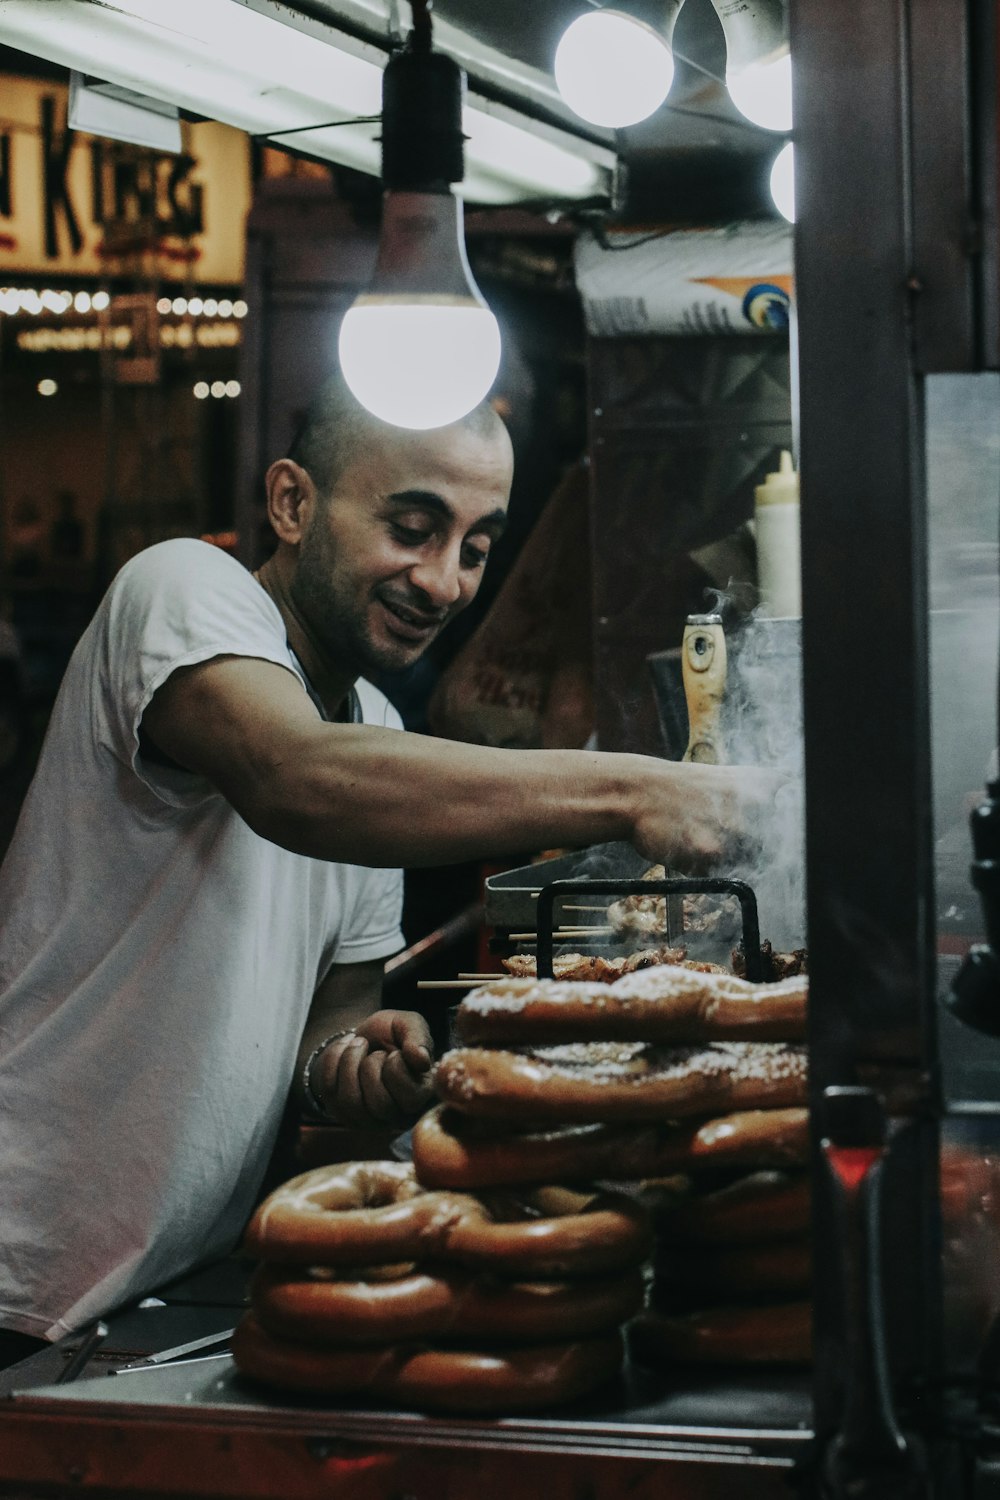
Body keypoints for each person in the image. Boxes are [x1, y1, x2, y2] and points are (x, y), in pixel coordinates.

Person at [0, 374, 777, 1363]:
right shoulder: (184, 593)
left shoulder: (381, 734)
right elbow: (297, 778)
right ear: (293, 502)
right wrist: (637, 791)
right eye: (412, 526)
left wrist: (357, 1067)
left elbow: (326, 1040)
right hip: (20, 1254)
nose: (444, 581)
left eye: (477, 547)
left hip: (164, 1284)